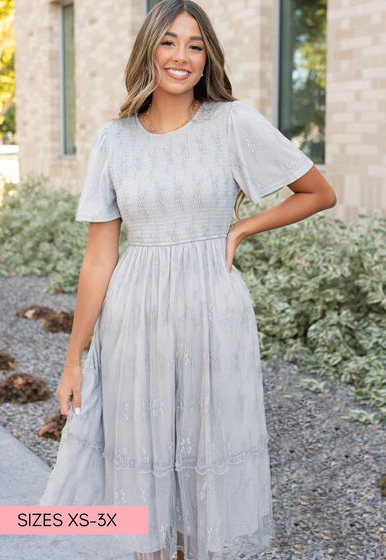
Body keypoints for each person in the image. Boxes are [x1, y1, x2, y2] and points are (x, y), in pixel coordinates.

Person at [39, 1, 337, 559]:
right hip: (134, 318)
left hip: (211, 311)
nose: (182, 56)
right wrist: (75, 358)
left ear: (208, 57)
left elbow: (318, 192)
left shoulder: (233, 122)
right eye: (169, 41)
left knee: (202, 470)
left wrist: (242, 229)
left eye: (196, 45)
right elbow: (99, 258)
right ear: (149, 48)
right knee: (140, 469)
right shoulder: (113, 141)